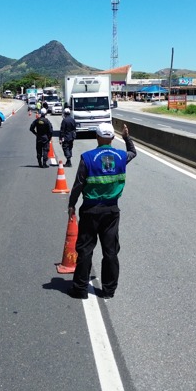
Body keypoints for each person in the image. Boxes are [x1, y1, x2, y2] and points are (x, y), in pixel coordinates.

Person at [66, 123, 136, 300]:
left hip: (90, 210)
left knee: (85, 250)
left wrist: (72, 204)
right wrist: (127, 137)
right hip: (111, 210)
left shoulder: (88, 157)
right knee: (110, 251)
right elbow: (133, 153)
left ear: (97, 137)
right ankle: (109, 290)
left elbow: (78, 184)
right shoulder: (121, 156)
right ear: (113, 138)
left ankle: (81, 289)